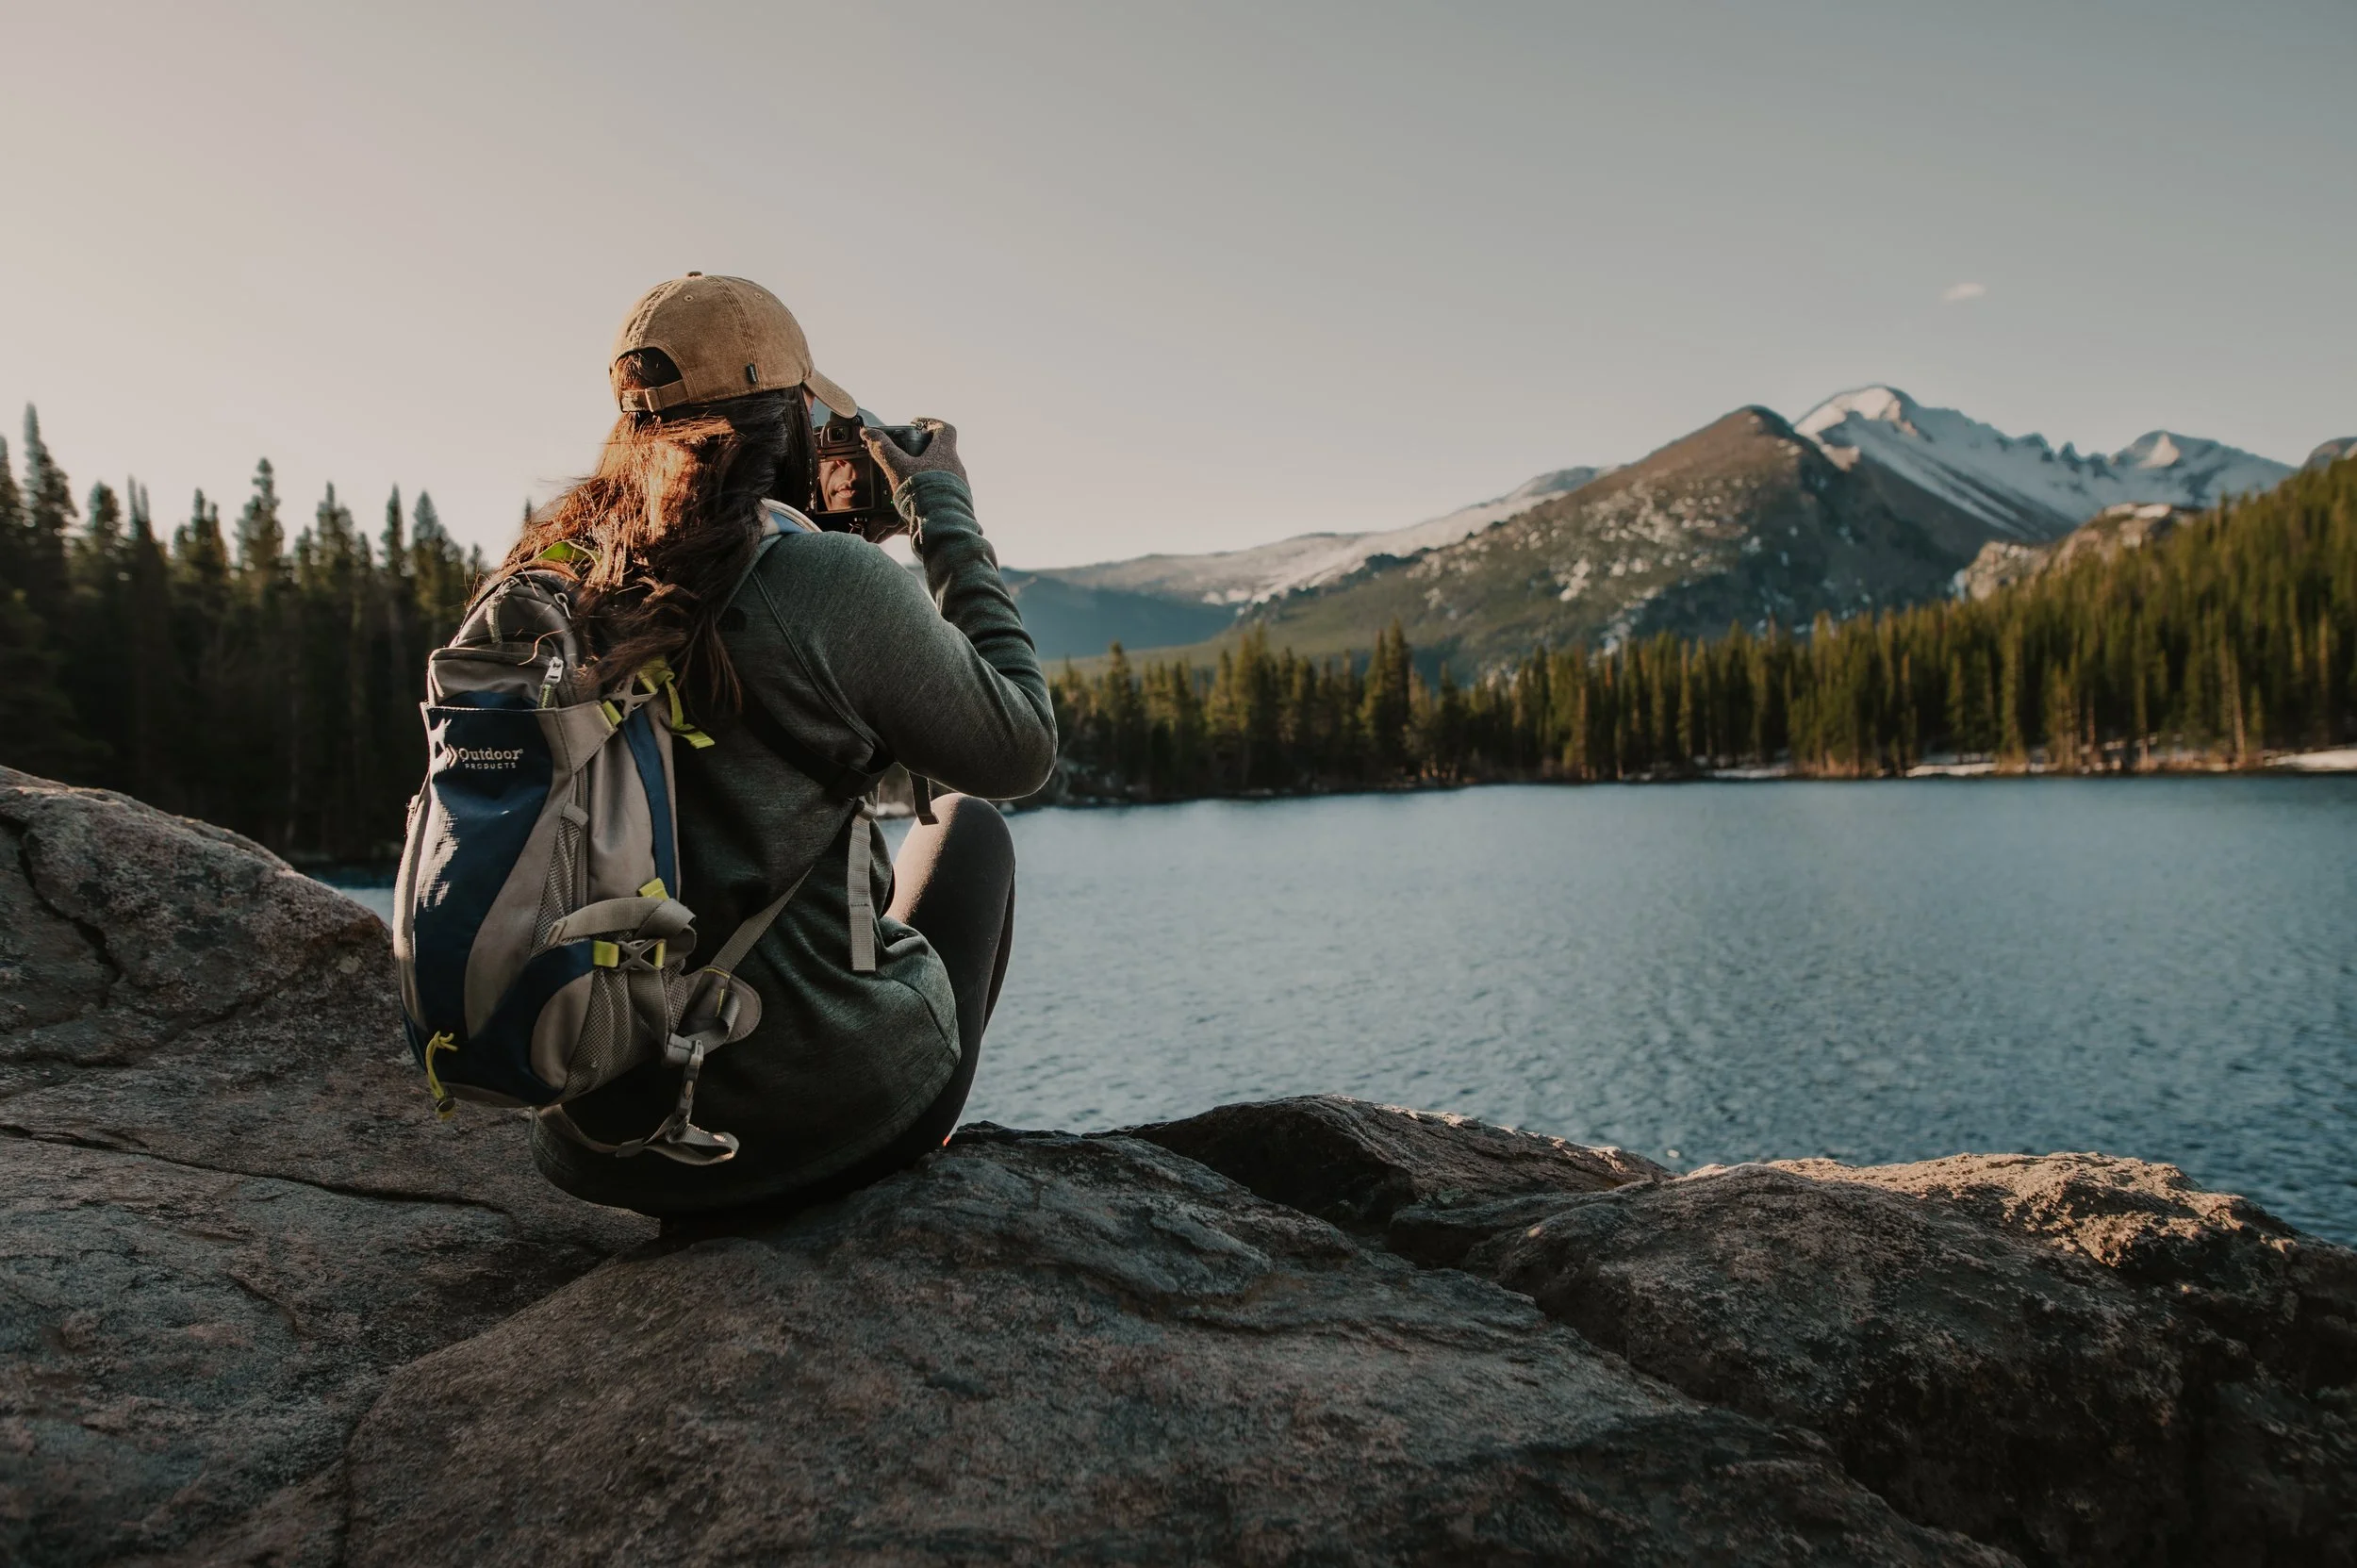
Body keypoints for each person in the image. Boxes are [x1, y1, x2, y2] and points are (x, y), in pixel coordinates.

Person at [501, 272, 1056, 1219]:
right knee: (968, 826)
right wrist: (942, 518)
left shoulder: (548, 581)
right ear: (789, 417)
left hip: (594, 1135)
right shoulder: (823, 583)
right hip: (805, 1130)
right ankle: (903, 1136)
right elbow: (1020, 746)